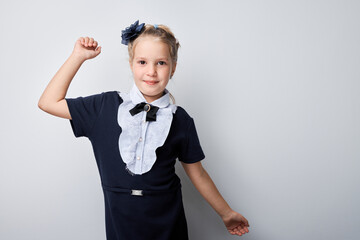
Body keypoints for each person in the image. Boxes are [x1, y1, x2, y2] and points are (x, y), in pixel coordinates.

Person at [38, 20, 250, 240]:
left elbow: (198, 173)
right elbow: (48, 102)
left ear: (173, 67)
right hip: (122, 223)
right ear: (131, 64)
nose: (151, 71)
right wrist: (77, 57)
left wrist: (226, 213)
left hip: (168, 223)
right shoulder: (104, 107)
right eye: (142, 62)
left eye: (160, 63)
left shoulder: (181, 119)